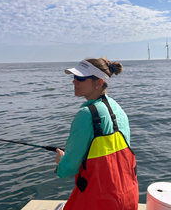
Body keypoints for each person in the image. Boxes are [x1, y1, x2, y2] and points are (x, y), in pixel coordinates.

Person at [54, 57, 138, 210]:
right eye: (74, 77)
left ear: (99, 82)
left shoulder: (86, 114)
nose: (74, 81)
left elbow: (68, 169)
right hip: (128, 198)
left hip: (99, 202)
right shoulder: (119, 109)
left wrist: (61, 162)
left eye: (80, 77)